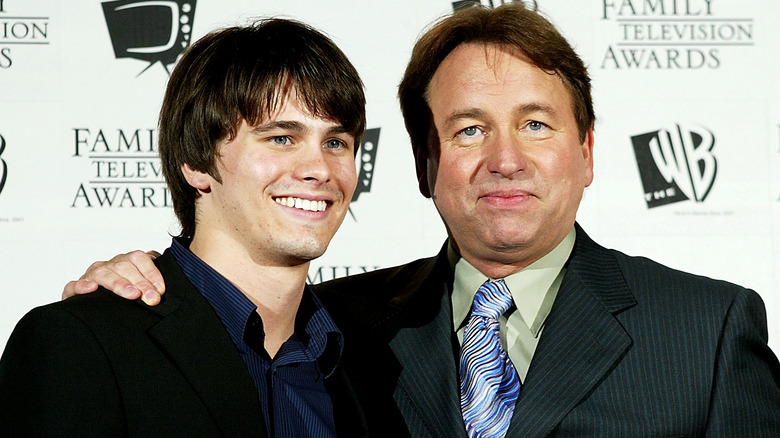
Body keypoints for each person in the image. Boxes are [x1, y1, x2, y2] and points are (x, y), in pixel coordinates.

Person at [61, 3, 780, 437]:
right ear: (421, 164)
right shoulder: (335, 328)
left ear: (587, 152)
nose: (505, 159)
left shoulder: (708, 332)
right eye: (468, 130)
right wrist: (135, 296)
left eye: (535, 124)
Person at [0, 18, 371, 437]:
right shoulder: (81, 343)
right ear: (196, 163)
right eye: (281, 138)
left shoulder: (368, 360)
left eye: (336, 143)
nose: (319, 169)